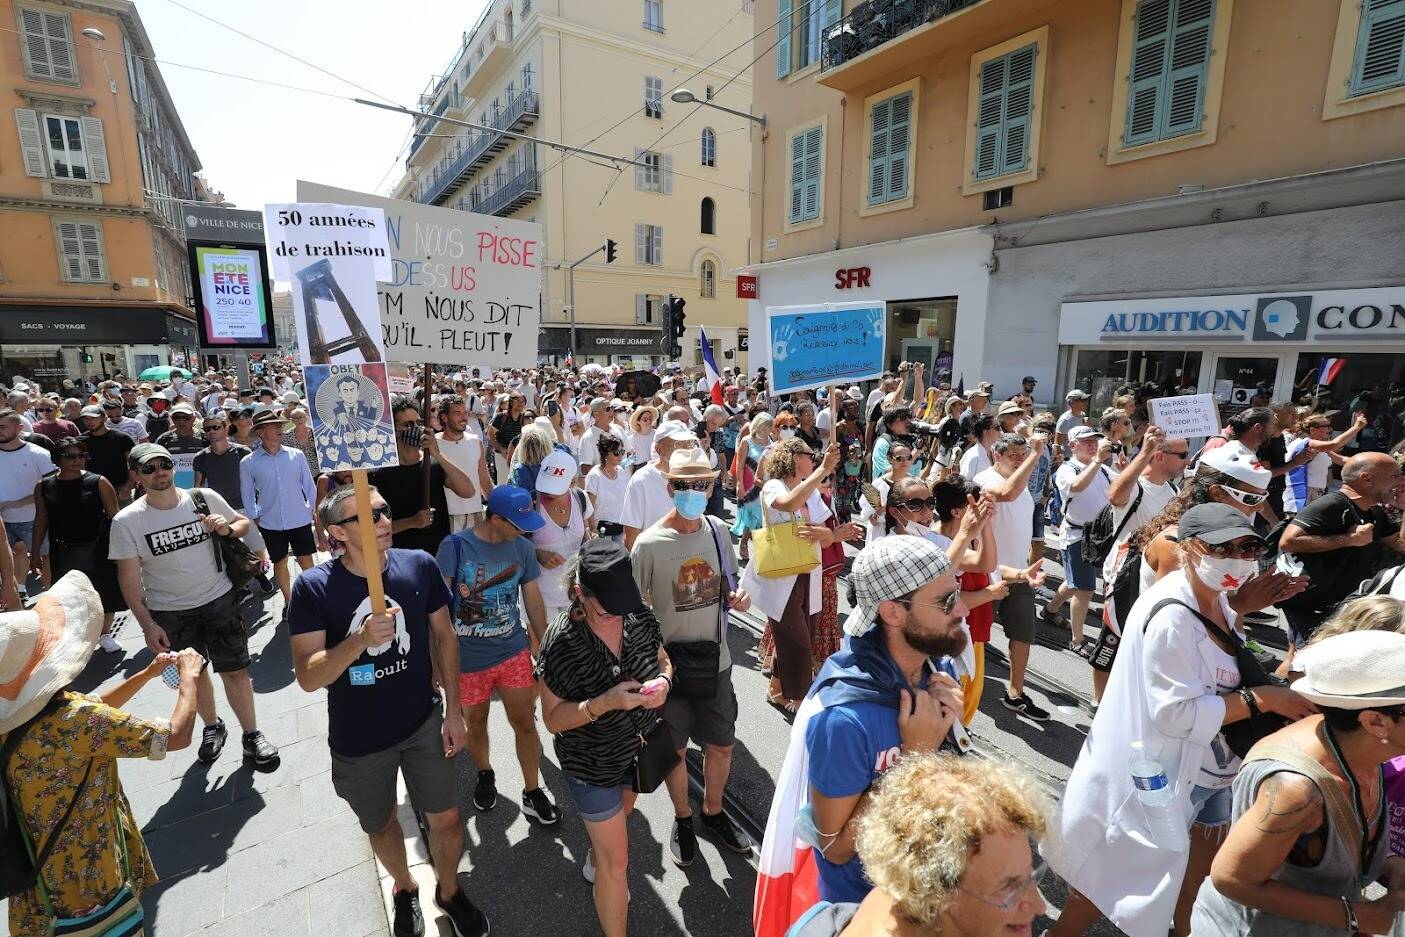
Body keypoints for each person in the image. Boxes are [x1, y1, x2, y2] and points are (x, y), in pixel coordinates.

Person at [1047, 503, 1318, 937]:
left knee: (1194, 873)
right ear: (1190, 549)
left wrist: (1243, 605)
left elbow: (1219, 652)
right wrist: (1262, 699)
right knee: (1114, 870)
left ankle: (1183, 929)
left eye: (1248, 547)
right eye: (1222, 547)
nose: (1238, 557)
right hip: (1166, 772)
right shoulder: (1173, 615)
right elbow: (1174, 713)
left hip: (1213, 772)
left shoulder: (1212, 599)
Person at [288, 484, 490, 937]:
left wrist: (454, 710)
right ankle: (404, 887)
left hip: (422, 721)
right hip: (360, 740)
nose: (382, 520)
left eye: (384, 510)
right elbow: (308, 676)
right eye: (368, 514)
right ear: (338, 531)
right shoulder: (313, 588)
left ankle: (450, 891)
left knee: (448, 818)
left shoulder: (419, 565)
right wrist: (360, 640)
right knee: (380, 825)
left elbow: (444, 637)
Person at [754, 537, 968, 936]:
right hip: (868, 912)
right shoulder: (843, 719)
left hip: (930, 892)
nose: (962, 609)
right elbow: (834, 848)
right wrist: (912, 759)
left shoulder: (936, 671)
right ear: (892, 612)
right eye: (946, 600)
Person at [2, 572, 203, 937]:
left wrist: (144, 675)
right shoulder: (72, 720)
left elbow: (94, 708)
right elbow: (174, 737)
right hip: (89, 882)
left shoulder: (17, 722)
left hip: (37, 884)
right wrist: (190, 678)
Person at [1191, 629, 1405, 936]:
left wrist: (1388, 863)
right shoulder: (1297, 791)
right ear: (1375, 721)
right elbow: (1231, 878)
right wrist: (1357, 916)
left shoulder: (1359, 745)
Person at [110, 443, 280, 771]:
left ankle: (252, 734)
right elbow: (129, 580)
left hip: (219, 600)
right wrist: (147, 625)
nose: (160, 472)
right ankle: (213, 726)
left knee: (236, 670)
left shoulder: (203, 497)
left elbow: (242, 524)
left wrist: (226, 527)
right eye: (149, 468)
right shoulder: (127, 521)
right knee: (195, 672)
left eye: (164, 464)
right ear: (136, 476)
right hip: (170, 612)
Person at [535, 540, 673, 937]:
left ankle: (597, 855)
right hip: (591, 765)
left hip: (636, 754)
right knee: (617, 866)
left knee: (619, 824)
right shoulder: (561, 642)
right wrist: (605, 702)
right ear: (580, 593)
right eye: (606, 608)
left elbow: (664, 659)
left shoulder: (638, 615)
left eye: (622, 605)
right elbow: (554, 720)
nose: (617, 616)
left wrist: (663, 681)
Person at [631, 447, 752, 867]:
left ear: (713, 486)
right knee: (677, 751)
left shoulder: (718, 531)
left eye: (701, 484)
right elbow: (633, 611)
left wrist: (735, 595)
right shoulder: (648, 545)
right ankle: (683, 818)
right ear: (670, 487)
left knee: (721, 745)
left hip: (716, 663)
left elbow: (728, 583)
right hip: (670, 668)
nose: (693, 491)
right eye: (684, 484)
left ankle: (713, 812)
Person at [784, 754, 1049, 937]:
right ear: (934, 893)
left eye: (1031, 877)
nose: (1039, 905)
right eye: (1010, 888)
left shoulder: (893, 896)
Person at [434, 484, 558, 825]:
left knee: (525, 724)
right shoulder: (455, 546)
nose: (524, 530)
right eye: (518, 523)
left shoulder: (522, 548)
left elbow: (532, 598)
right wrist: (435, 662)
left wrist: (543, 645)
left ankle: (533, 791)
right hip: (467, 660)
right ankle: (485, 772)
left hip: (512, 652)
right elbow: (437, 610)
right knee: (475, 723)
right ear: (496, 518)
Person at [1088, 425, 1186, 699]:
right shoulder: (1137, 486)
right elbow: (1115, 496)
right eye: (1182, 455)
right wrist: (1142, 454)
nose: (1187, 461)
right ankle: (1100, 702)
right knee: (1112, 641)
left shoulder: (1174, 490)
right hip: (1124, 577)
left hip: (1154, 577)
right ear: (1160, 456)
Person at [1278, 451, 1405, 664]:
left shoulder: (1375, 513)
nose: (1400, 481)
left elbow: (1401, 545)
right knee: (1302, 661)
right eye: (1394, 476)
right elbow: (1288, 541)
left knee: (1307, 657)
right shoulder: (1333, 504)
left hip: (1340, 602)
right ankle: (1282, 696)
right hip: (1312, 602)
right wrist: (1349, 539)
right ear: (1367, 479)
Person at [742, 439, 840, 713]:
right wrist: (822, 471)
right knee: (796, 640)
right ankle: (800, 698)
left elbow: (822, 534)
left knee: (800, 633)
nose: (814, 460)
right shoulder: (775, 485)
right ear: (795, 458)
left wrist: (832, 535)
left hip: (809, 570)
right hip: (782, 572)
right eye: (811, 456)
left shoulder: (813, 491)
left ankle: (776, 688)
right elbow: (786, 504)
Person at [973, 432, 1054, 720]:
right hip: (984, 574)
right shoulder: (984, 481)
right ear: (997, 455)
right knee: (971, 636)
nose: (1020, 461)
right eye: (1014, 456)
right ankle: (963, 690)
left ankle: (1015, 693)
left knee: (1022, 635)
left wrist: (1030, 564)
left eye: (1024, 455)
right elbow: (1007, 493)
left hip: (1019, 574)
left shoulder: (1023, 487)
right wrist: (1034, 454)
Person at [31, 437, 126, 652]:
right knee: (68, 595)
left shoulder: (99, 482)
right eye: (70, 456)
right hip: (62, 548)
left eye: (81, 455)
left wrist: (126, 550)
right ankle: (79, 636)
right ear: (57, 459)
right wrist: (35, 552)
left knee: (104, 590)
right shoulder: (43, 486)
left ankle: (105, 635)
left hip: (99, 546)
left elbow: (116, 518)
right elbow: (41, 520)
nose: (77, 460)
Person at [370, 398, 476, 556]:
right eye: (407, 424)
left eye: (417, 422)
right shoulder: (380, 473)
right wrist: (411, 522)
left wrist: (436, 454)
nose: (415, 428)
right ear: (394, 430)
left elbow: (468, 491)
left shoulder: (432, 464)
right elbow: (372, 528)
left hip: (439, 552)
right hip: (402, 555)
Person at [239, 410, 318, 613]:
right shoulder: (249, 462)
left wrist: (312, 509)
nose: (279, 429)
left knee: (306, 561)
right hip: (270, 522)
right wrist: (254, 516)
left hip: (299, 518)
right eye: (273, 426)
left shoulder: (296, 455)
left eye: (279, 425)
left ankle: (316, 600)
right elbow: (247, 493)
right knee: (280, 562)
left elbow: (309, 485)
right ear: (260, 433)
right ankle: (289, 602)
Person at [1045, 425, 1114, 653]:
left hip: (1100, 538)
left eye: (1095, 440)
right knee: (1084, 590)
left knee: (1076, 581)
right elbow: (1075, 487)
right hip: (1077, 536)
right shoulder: (1068, 469)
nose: (1093, 444)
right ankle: (1077, 640)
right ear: (1073, 445)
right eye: (1087, 441)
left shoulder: (1103, 470)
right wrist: (1097, 462)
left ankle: (1051, 610)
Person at [0, 407, 56, 596]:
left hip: (35, 519)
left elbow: (51, 489)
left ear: (19, 428)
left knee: (46, 557)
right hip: (3, 521)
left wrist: (15, 503)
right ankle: (19, 592)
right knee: (15, 553)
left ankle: (51, 596)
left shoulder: (38, 454)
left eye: (3, 427)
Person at [534, 449, 594, 622]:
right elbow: (514, 543)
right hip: (542, 597)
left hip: (577, 593)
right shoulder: (531, 502)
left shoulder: (580, 498)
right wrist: (537, 553)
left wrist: (591, 541)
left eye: (555, 486)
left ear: (572, 481)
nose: (549, 491)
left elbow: (590, 530)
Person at [621, 421, 697, 549]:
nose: (686, 450)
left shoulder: (694, 476)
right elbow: (630, 536)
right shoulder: (641, 481)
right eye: (679, 444)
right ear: (660, 450)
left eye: (689, 443)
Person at [436, 395, 493, 532]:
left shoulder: (475, 441)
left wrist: (496, 505)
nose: (463, 417)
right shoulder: (433, 444)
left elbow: (484, 479)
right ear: (444, 417)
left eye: (465, 413)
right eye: (457, 413)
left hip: (475, 513)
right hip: (446, 515)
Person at [730, 412, 774, 562]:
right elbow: (739, 465)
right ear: (756, 425)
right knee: (752, 517)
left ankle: (759, 549)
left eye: (768, 428)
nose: (765, 431)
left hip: (766, 483)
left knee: (763, 517)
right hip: (749, 486)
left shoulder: (771, 440)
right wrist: (739, 485)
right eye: (762, 427)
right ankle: (745, 542)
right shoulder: (746, 441)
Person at [78, 403, 135, 503]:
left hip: (119, 491)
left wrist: (128, 486)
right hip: (91, 492)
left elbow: (134, 465)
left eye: (93, 418)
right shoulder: (80, 442)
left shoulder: (122, 438)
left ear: (104, 417)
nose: (89, 422)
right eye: (86, 418)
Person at [585, 433, 630, 541]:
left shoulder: (622, 472)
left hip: (620, 528)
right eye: (616, 453)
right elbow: (589, 507)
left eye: (622, 452)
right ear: (605, 454)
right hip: (601, 531)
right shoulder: (595, 476)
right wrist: (592, 529)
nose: (620, 456)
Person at [487, 391, 527, 481]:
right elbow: (490, 435)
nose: (521, 404)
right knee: (503, 481)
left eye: (523, 401)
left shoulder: (524, 417)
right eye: (518, 401)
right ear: (511, 402)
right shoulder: (501, 417)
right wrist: (501, 449)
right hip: (502, 456)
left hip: (519, 455)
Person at [280, 403, 321, 482]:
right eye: (295, 417)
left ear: (306, 418)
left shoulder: (316, 433)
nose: (299, 419)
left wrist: (316, 446)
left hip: (317, 473)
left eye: (301, 417)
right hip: (297, 474)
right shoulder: (286, 436)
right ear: (291, 420)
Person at [1055, 389, 1090, 454]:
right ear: (1072, 403)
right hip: (1068, 459)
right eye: (1083, 400)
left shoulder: (1083, 415)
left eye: (1086, 400)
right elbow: (1057, 444)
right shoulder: (1065, 420)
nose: (1086, 402)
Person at [625, 405, 657, 469]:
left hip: (656, 467)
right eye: (645, 420)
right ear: (638, 421)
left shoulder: (657, 434)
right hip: (639, 469)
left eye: (650, 419)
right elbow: (630, 461)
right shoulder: (632, 439)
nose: (648, 421)